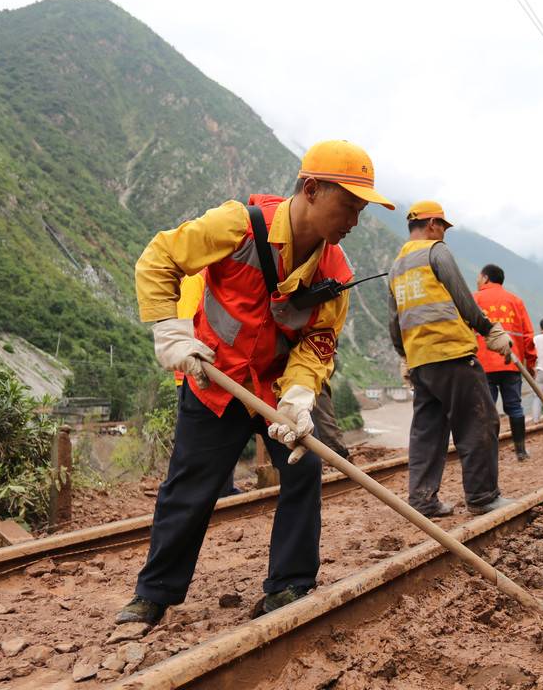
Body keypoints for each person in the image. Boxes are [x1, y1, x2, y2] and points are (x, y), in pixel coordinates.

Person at [116, 140, 394, 626]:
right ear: (310, 189)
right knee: (190, 487)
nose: (355, 219)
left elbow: (318, 343)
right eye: (348, 204)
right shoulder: (238, 224)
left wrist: (300, 396)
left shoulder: (336, 271)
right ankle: (153, 594)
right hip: (214, 378)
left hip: (272, 390)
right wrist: (171, 332)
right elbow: (159, 258)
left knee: (303, 472)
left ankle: (290, 586)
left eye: (361, 209)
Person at [388, 201, 515, 518]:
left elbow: (394, 319)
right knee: (478, 420)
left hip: (421, 362)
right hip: (451, 354)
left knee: (427, 431)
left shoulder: (396, 266)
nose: (444, 234)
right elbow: (463, 298)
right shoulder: (436, 252)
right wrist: (489, 330)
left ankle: (422, 500)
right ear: (432, 224)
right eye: (443, 227)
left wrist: (405, 356)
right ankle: (483, 496)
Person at [175, 273, 240, 496]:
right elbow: (184, 322)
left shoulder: (216, 273)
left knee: (225, 436)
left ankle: (224, 490)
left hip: (219, 374)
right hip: (196, 373)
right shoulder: (198, 277)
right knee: (202, 444)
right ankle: (208, 496)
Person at [473, 264, 536, 461]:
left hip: (483, 364)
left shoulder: (475, 299)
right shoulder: (515, 301)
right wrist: (530, 365)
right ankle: (521, 451)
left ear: (485, 278)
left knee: (486, 410)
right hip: (512, 363)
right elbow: (527, 335)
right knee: (515, 407)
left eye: (478, 277)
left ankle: (487, 455)